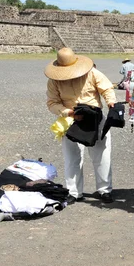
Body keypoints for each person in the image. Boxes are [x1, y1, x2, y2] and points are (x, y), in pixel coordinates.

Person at [45, 48, 116, 203]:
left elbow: (106, 88)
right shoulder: (54, 80)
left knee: (101, 154)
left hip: (94, 118)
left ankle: (104, 190)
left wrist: (111, 102)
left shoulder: (92, 72)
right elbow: (52, 103)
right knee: (72, 157)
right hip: (70, 120)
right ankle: (74, 192)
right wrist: (68, 112)